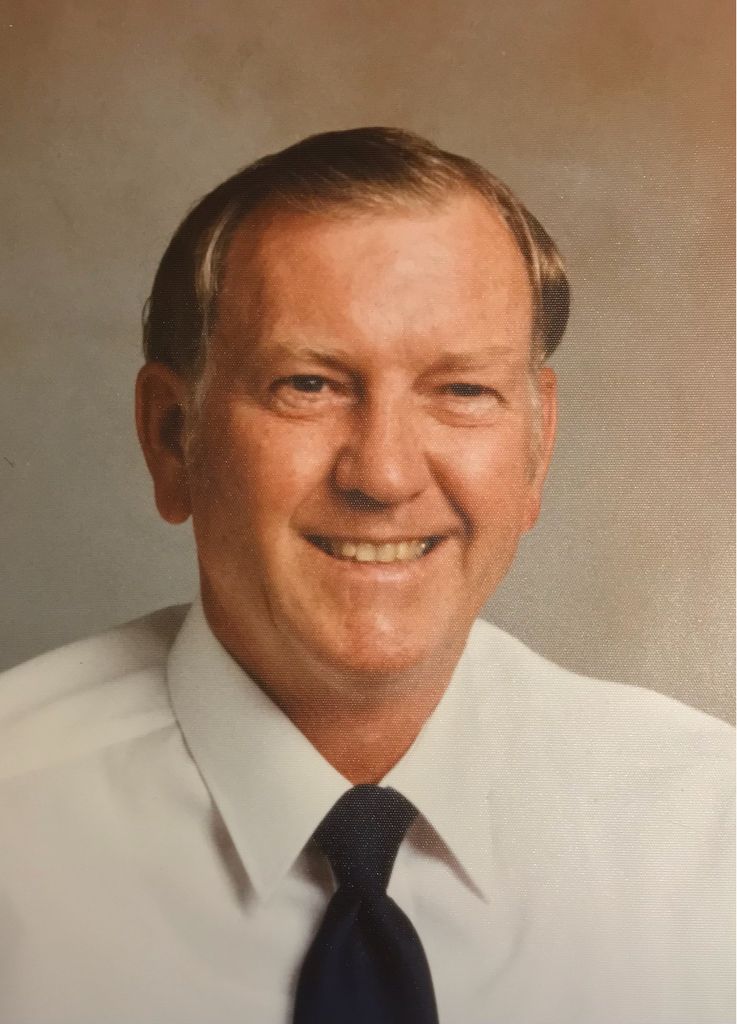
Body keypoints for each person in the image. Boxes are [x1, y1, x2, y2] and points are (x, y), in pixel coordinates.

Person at [0, 128, 732, 1024]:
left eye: (461, 391)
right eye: (307, 385)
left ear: (537, 447)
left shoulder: (708, 836)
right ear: (172, 437)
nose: (383, 475)